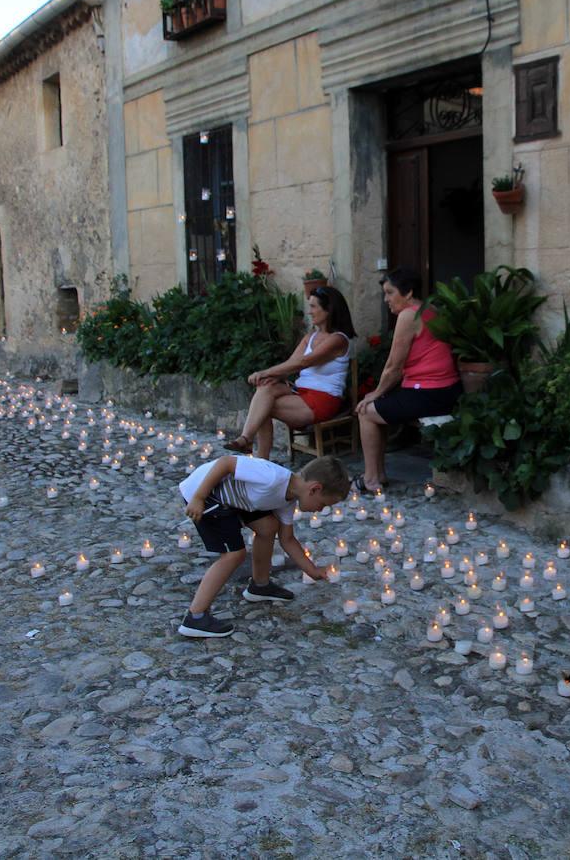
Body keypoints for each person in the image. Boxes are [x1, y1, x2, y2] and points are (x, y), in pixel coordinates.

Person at [176, 454, 350, 638]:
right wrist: (199, 497)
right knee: (234, 555)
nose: (320, 510)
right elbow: (226, 463)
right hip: (206, 494)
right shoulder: (272, 477)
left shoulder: (288, 499)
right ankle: (195, 616)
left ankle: (259, 586)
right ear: (315, 489)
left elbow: (287, 539)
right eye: (323, 504)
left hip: (235, 499)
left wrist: (312, 570)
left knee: (268, 527)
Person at [354, 267, 462, 492]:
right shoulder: (430, 308)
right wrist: (380, 394)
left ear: (409, 293)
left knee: (365, 411)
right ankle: (379, 474)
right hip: (446, 389)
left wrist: (375, 392)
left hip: (429, 393)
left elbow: (394, 366)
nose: (386, 299)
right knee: (377, 408)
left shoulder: (408, 315)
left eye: (390, 293)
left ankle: (371, 478)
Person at [225, 285, 357, 458]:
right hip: (301, 392)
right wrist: (270, 377)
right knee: (265, 388)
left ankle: (259, 457)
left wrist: (265, 372)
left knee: (264, 406)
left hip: (324, 398)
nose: (309, 312)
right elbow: (291, 363)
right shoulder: (310, 337)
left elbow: (303, 362)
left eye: (313, 306)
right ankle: (248, 441)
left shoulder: (338, 340)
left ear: (329, 310)